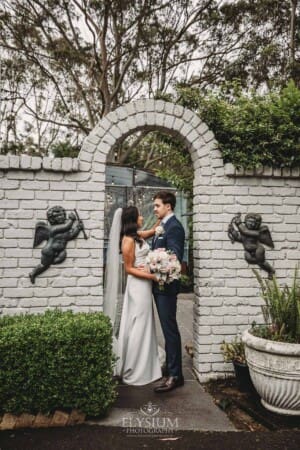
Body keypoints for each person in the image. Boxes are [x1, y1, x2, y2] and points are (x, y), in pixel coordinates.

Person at [103, 206, 163, 385]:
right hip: (137, 286)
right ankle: (135, 368)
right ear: (132, 219)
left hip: (144, 285)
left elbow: (152, 231)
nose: (142, 217)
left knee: (144, 322)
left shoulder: (137, 236)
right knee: (138, 323)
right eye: (140, 215)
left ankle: (145, 363)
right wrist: (153, 276)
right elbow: (129, 269)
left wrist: (163, 219)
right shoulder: (127, 240)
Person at [152, 191, 185, 393]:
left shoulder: (174, 228)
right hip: (159, 286)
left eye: (157, 205)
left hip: (166, 287)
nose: (154, 209)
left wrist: (153, 264)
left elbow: (174, 259)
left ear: (168, 206)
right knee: (166, 329)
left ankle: (175, 375)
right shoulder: (162, 226)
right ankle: (171, 369)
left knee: (170, 329)